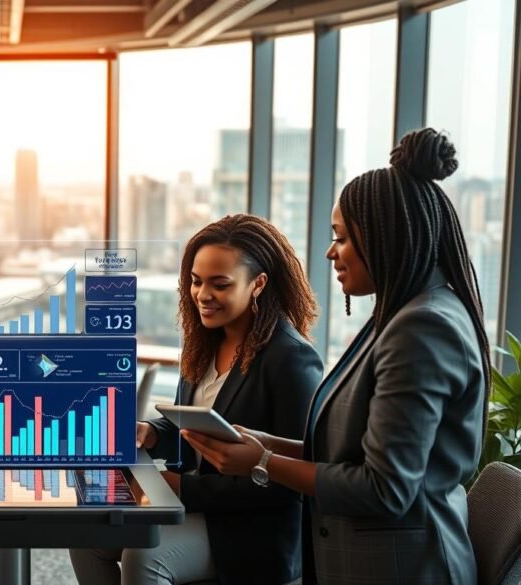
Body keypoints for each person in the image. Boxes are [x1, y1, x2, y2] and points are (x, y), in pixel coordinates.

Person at [184, 128, 489, 584]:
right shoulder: (402, 316)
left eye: (342, 238)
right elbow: (352, 454)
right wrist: (266, 444)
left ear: (385, 236)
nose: (331, 252)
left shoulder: (422, 329)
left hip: (401, 570)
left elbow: (385, 489)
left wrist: (262, 464)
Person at [70, 213, 323, 585]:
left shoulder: (291, 359)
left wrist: (178, 486)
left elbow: (289, 481)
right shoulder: (204, 344)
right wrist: (152, 433)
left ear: (258, 284)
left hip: (249, 530)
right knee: (86, 532)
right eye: (196, 281)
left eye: (220, 284)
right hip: (191, 504)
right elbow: (193, 428)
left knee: (146, 557)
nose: (203, 295)